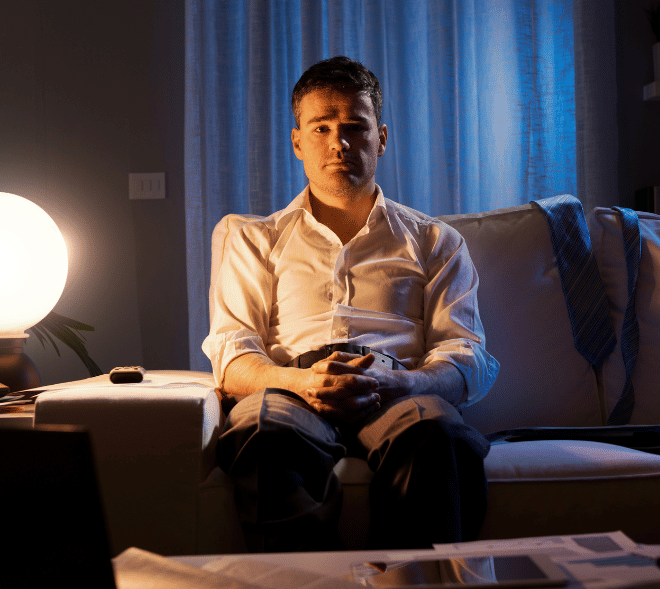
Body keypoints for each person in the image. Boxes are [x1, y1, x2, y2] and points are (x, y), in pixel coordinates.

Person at [202, 56, 499, 552]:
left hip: (398, 385)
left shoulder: (434, 241)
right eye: (321, 127)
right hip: (290, 385)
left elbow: (466, 356)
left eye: (354, 127)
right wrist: (301, 381)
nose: (338, 143)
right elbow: (233, 356)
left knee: (436, 436)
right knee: (260, 431)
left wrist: (401, 381)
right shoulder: (254, 239)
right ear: (297, 141)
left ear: (381, 137)